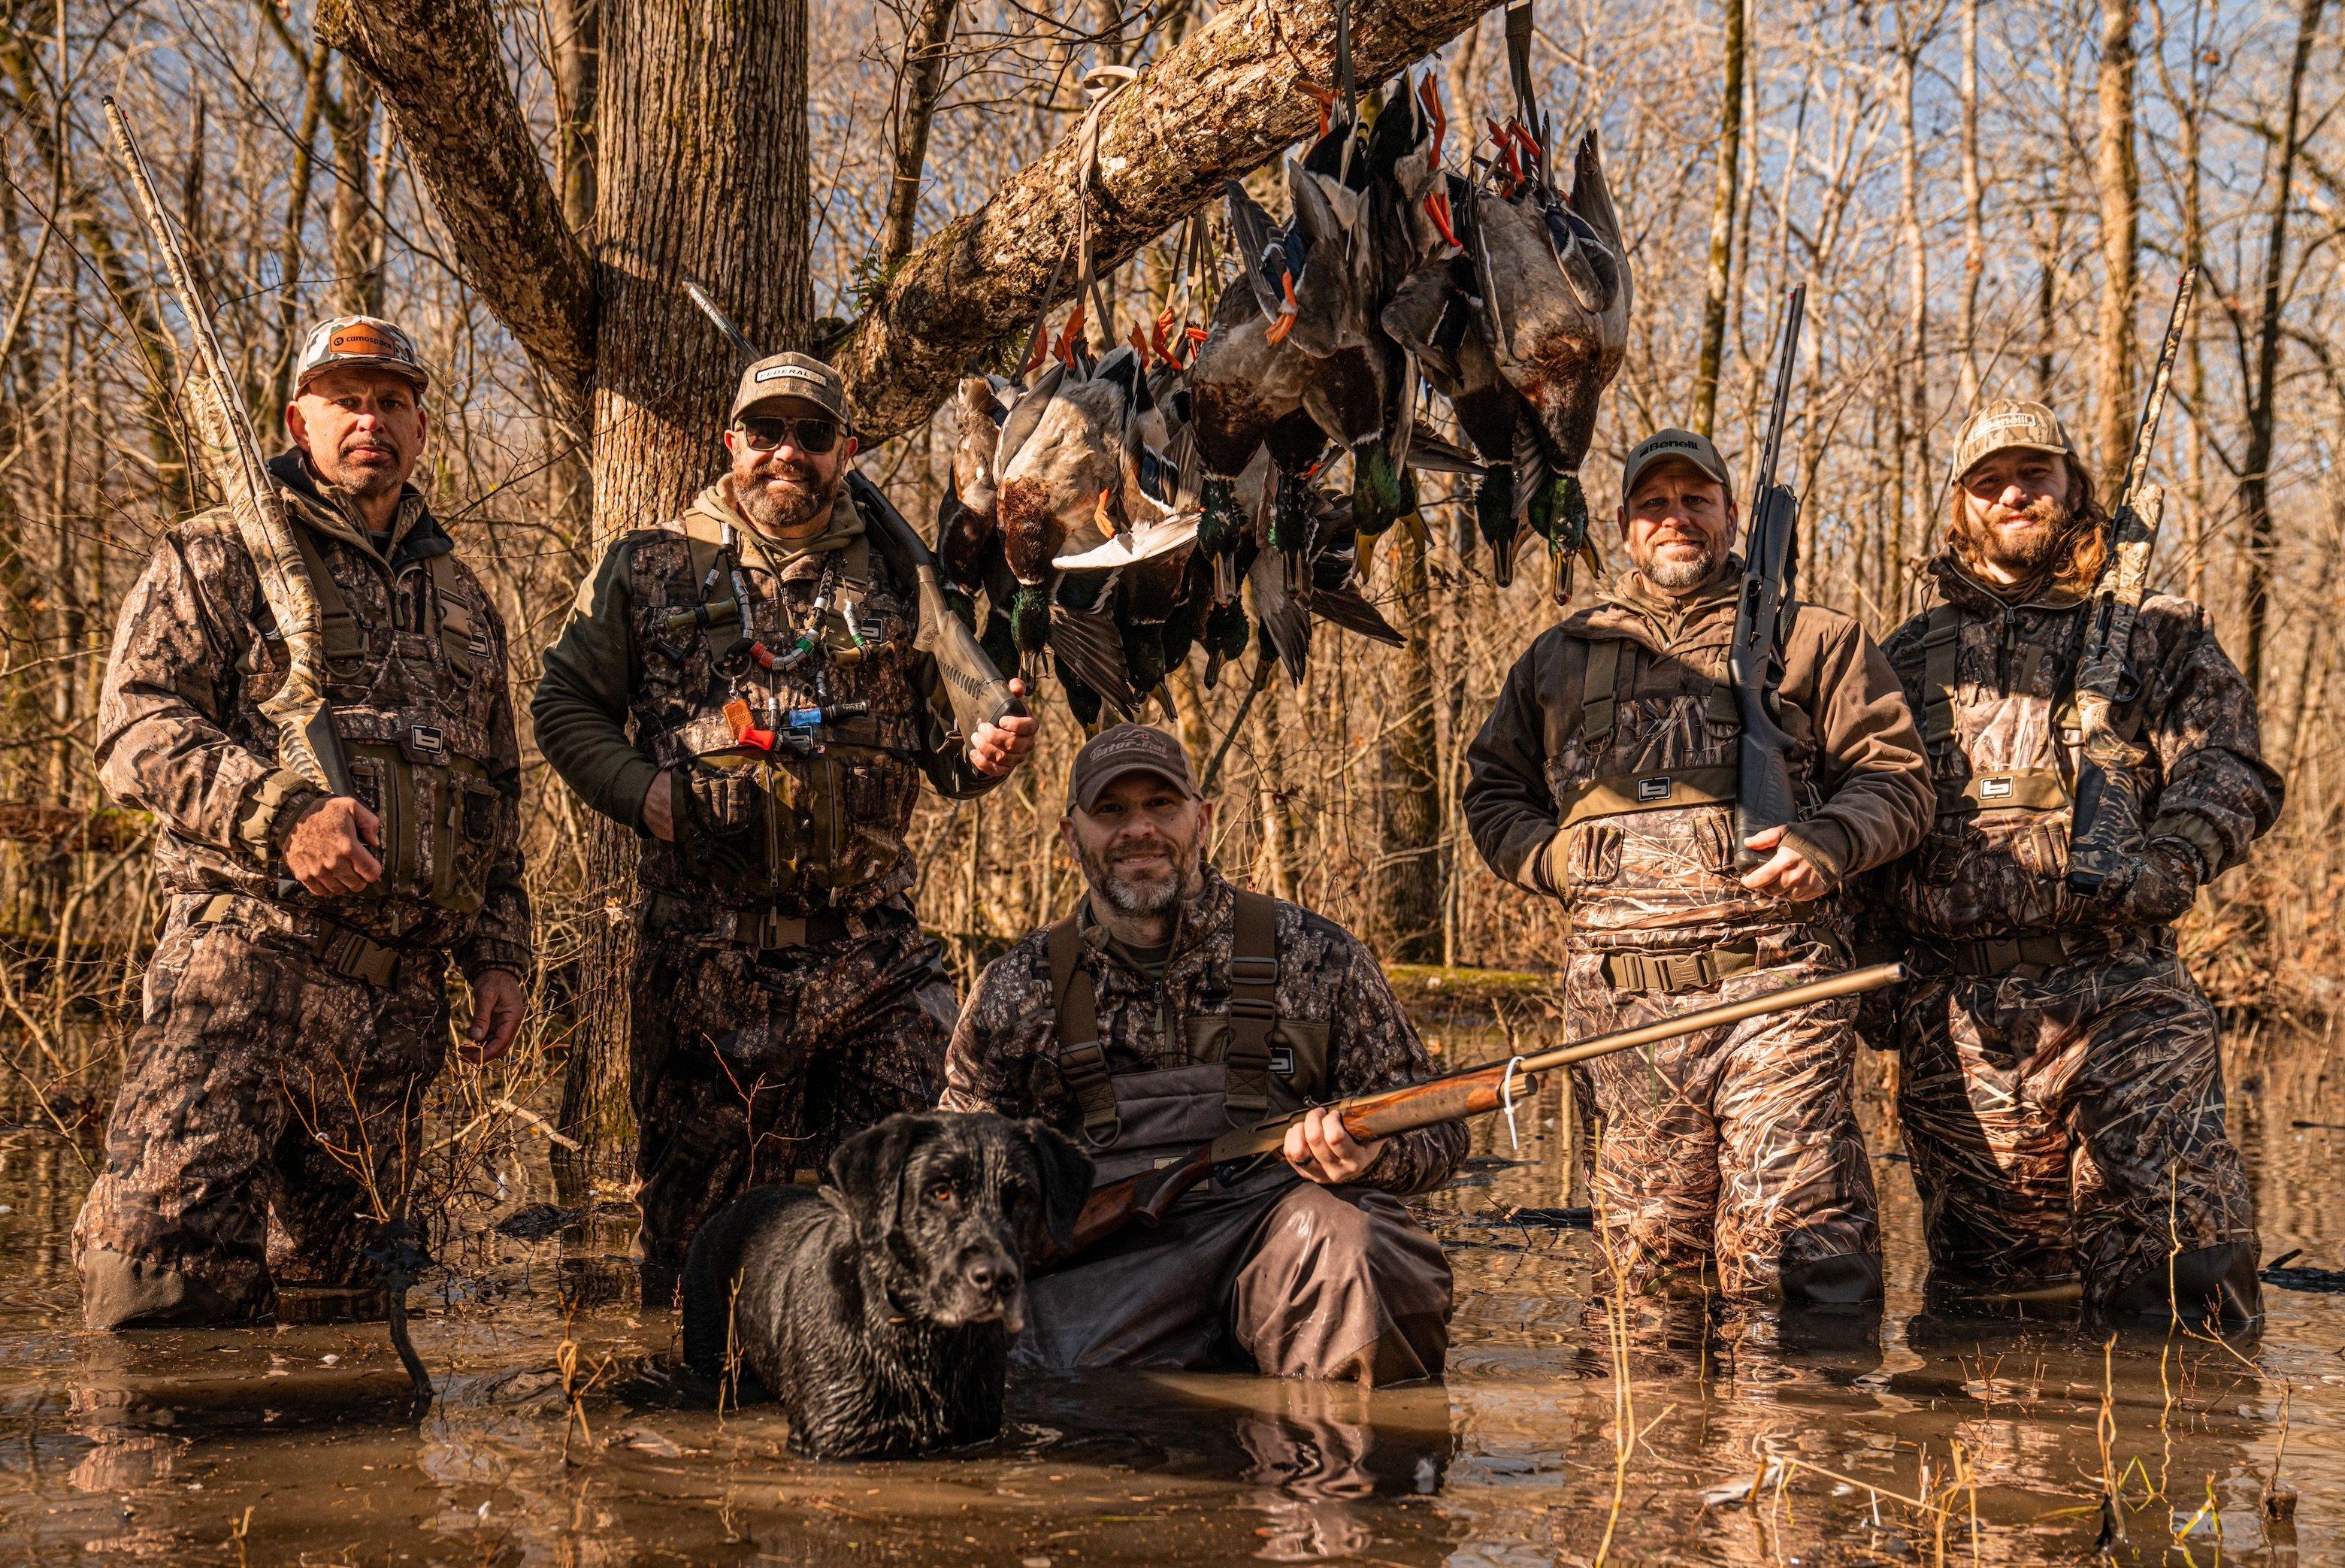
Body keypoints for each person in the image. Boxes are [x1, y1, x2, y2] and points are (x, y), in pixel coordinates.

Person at [533, 351, 1038, 1299]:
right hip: (709, 963)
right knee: (704, 1275)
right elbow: (563, 704)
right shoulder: (650, 565)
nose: (786, 453)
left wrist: (983, 761)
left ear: (844, 450)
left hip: (875, 963)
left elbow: (946, 751)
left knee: (915, 1234)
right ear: (733, 440)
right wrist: (643, 793)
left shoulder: (901, 578)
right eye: (765, 431)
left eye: (812, 435)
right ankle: (711, 1441)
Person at [75, 315, 531, 1328]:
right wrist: (278, 814)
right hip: (246, 970)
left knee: (352, 1324)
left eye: (392, 401)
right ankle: (164, 1490)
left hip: (395, 1019)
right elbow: (134, 725)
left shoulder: (466, 601)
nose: (371, 420)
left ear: (423, 428)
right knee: (160, 1283)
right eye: (346, 399)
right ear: (300, 419)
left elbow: (497, 794)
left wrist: (498, 955)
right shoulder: (220, 551)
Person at [1463, 428, 1933, 1307]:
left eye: (1696, 500)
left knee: (1801, 1259)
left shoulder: (1815, 641)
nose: (1675, 518)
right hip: (1624, 1005)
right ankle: (1664, 1447)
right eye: (1654, 503)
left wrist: (1826, 843)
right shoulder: (1562, 656)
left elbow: (1898, 781)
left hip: (1778, 995)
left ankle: (1801, 1437)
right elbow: (1493, 790)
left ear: (1730, 514)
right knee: (1649, 1282)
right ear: (1624, 523)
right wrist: (1552, 858)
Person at [1859, 399, 2279, 1321]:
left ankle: (2190, 1457)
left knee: (2185, 1272)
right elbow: (1867, 824)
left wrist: (2172, 857)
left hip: (2123, 993)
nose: (2014, 494)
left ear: (2072, 489)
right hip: (1962, 1027)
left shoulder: (2155, 629)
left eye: (2034, 475)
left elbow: (2231, 768)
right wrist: (1877, 995)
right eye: (1989, 481)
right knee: (1995, 1315)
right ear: (1961, 506)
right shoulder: (1904, 657)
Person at [941, 725, 1461, 1385]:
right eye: (1111, 811)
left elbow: (1441, 1130)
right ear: (1071, 837)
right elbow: (954, 1179)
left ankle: (1356, 1470)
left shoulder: (1318, 955)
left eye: (1162, 805)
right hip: (1100, 1271)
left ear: (1204, 820)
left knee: (1363, 1252)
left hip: (1282, 1240)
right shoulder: (1016, 989)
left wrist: (1373, 1154)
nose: (1139, 830)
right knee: (1014, 1361)